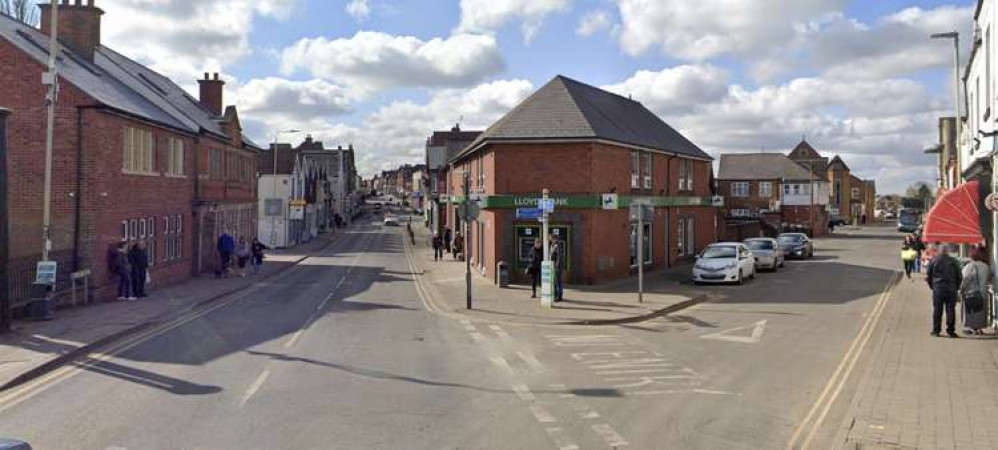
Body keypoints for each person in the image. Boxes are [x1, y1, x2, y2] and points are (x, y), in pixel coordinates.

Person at [926, 244, 962, 338]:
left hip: (938, 288)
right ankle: (951, 331)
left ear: (939, 251)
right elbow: (959, 276)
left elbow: (929, 276)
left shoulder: (933, 260)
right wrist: (956, 287)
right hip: (951, 289)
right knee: (950, 310)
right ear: (947, 251)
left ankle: (936, 330)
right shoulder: (954, 261)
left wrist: (932, 286)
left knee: (937, 310)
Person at [960, 248, 990, 334]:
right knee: (981, 311)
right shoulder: (986, 266)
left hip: (972, 292)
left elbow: (965, 279)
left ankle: (972, 328)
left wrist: (961, 289)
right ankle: (979, 328)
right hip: (983, 292)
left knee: (971, 311)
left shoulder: (969, 266)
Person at [550, 235, 565, 301]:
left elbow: (559, 256)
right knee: (556, 281)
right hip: (554, 265)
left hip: (557, 266)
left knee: (557, 281)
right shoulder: (552, 245)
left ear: (554, 238)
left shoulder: (557, 245)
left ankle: (558, 296)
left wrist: (557, 265)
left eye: (551, 238)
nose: (550, 239)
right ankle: (557, 295)